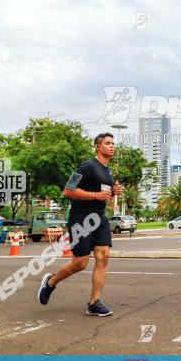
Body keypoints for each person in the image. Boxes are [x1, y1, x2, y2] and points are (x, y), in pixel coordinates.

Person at [37, 132, 123, 316]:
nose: (112, 146)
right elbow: (68, 190)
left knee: (104, 256)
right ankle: (51, 282)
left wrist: (113, 193)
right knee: (80, 263)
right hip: (81, 218)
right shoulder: (86, 166)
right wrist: (95, 196)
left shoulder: (108, 171)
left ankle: (94, 303)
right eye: (107, 143)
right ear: (97, 146)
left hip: (100, 217)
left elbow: (102, 194)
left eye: (113, 143)